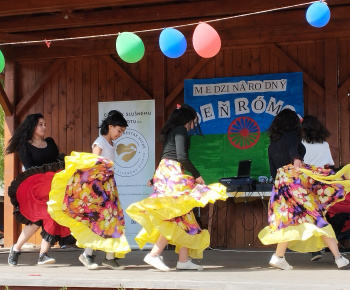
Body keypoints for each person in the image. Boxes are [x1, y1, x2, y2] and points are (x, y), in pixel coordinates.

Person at [126, 104, 227, 271]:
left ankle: (183, 260)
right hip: (172, 174)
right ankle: (154, 254)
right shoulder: (180, 129)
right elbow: (181, 156)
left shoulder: (173, 131)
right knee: (176, 215)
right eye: (193, 121)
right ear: (187, 119)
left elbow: (165, 155)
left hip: (166, 172)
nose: (194, 125)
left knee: (184, 216)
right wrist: (197, 175)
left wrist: (155, 177)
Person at [258, 108, 350, 270]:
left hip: (281, 186)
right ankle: (338, 257)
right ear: (292, 122)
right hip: (295, 184)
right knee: (316, 217)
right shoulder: (292, 135)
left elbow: (274, 172)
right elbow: (295, 157)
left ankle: (278, 256)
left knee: (288, 222)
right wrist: (298, 161)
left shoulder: (272, 145)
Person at [47, 110, 131, 270]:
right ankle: (89, 254)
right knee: (100, 221)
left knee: (112, 220)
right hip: (99, 189)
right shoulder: (99, 142)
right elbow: (92, 164)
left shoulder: (111, 144)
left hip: (109, 187)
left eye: (122, 132)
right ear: (110, 126)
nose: (120, 134)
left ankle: (108, 257)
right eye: (119, 130)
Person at [6, 113, 71, 266]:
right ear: (33, 126)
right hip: (35, 189)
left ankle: (43, 254)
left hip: (53, 187)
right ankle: (16, 249)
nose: (44, 127)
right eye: (40, 124)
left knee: (52, 215)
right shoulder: (25, 146)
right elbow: (29, 170)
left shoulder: (50, 142)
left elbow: (57, 163)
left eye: (45, 124)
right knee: (36, 222)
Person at [301, 114, 334, 261]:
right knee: (321, 216)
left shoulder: (300, 144)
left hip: (304, 184)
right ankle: (332, 251)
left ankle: (316, 250)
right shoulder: (324, 144)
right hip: (322, 184)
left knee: (308, 218)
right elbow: (329, 165)